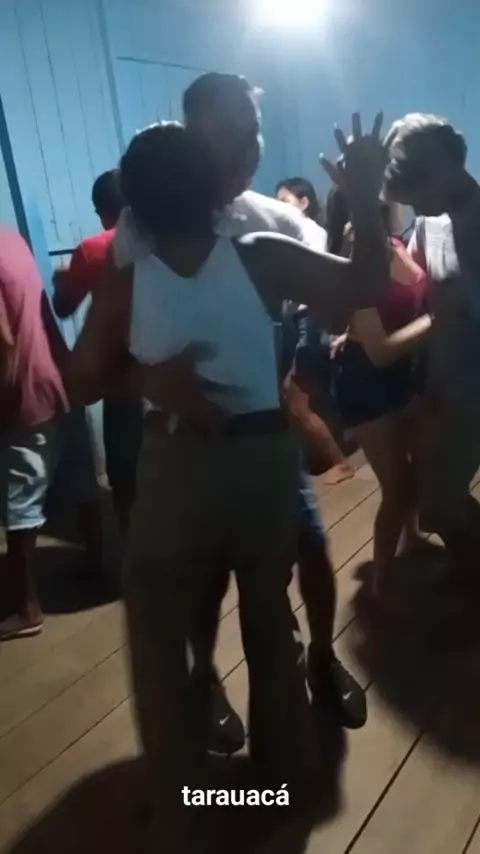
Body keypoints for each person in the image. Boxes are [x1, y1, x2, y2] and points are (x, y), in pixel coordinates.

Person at [64, 116, 387, 851]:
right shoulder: (261, 257)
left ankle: (184, 805)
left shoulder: (124, 285)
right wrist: (364, 196)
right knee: (269, 620)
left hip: (174, 464)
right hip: (262, 459)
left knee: (161, 634)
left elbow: (77, 383)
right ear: (215, 189)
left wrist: (147, 378)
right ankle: (275, 789)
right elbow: (365, 284)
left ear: (134, 204)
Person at [113, 73, 364, 757]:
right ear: (190, 135)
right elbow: (118, 338)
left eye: (254, 131)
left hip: (267, 433)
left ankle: (320, 656)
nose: (248, 148)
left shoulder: (276, 222)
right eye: (227, 132)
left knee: (309, 550)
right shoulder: (145, 225)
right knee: (202, 579)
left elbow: (338, 302)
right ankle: (207, 679)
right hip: (186, 444)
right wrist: (148, 377)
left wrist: (354, 210)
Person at [384, 114, 480, 580]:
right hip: (442, 381)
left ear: (444, 167)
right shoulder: (430, 221)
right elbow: (420, 287)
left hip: (471, 386)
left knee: (439, 500)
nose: (414, 206)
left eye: (416, 193)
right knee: (435, 499)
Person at [328, 197, 431, 591]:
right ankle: (381, 581)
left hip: (402, 371)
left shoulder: (394, 241)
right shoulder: (362, 251)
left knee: (417, 465)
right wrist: (436, 319)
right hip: (367, 380)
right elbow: (380, 350)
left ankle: (412, 538)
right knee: (396, 487)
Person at [53, 170, 143, 533]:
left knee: (125, 479)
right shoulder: (164, 239)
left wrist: (62, 280)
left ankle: (136, 551)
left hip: (122, 384)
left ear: (101, 210)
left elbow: (64, 307)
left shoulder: (92, 250)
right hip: (175, 374)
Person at [0, 227, 69, 640]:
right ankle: (100, 563)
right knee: (79, 481)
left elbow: (3, 342)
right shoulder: (11, 240)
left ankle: (27, 609)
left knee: (20, 508)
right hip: (55, 378)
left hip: (22, 395)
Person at [277, 176, 355, 484]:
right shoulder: (310, 232)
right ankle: (336, 454)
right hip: (309, 319)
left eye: (284, 201)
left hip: (310, 320)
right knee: (316, 394)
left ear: (304, 202)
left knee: (295, 399)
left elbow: (310, 278)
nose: (279, 208)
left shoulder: (306, 231)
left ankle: (338, 462)